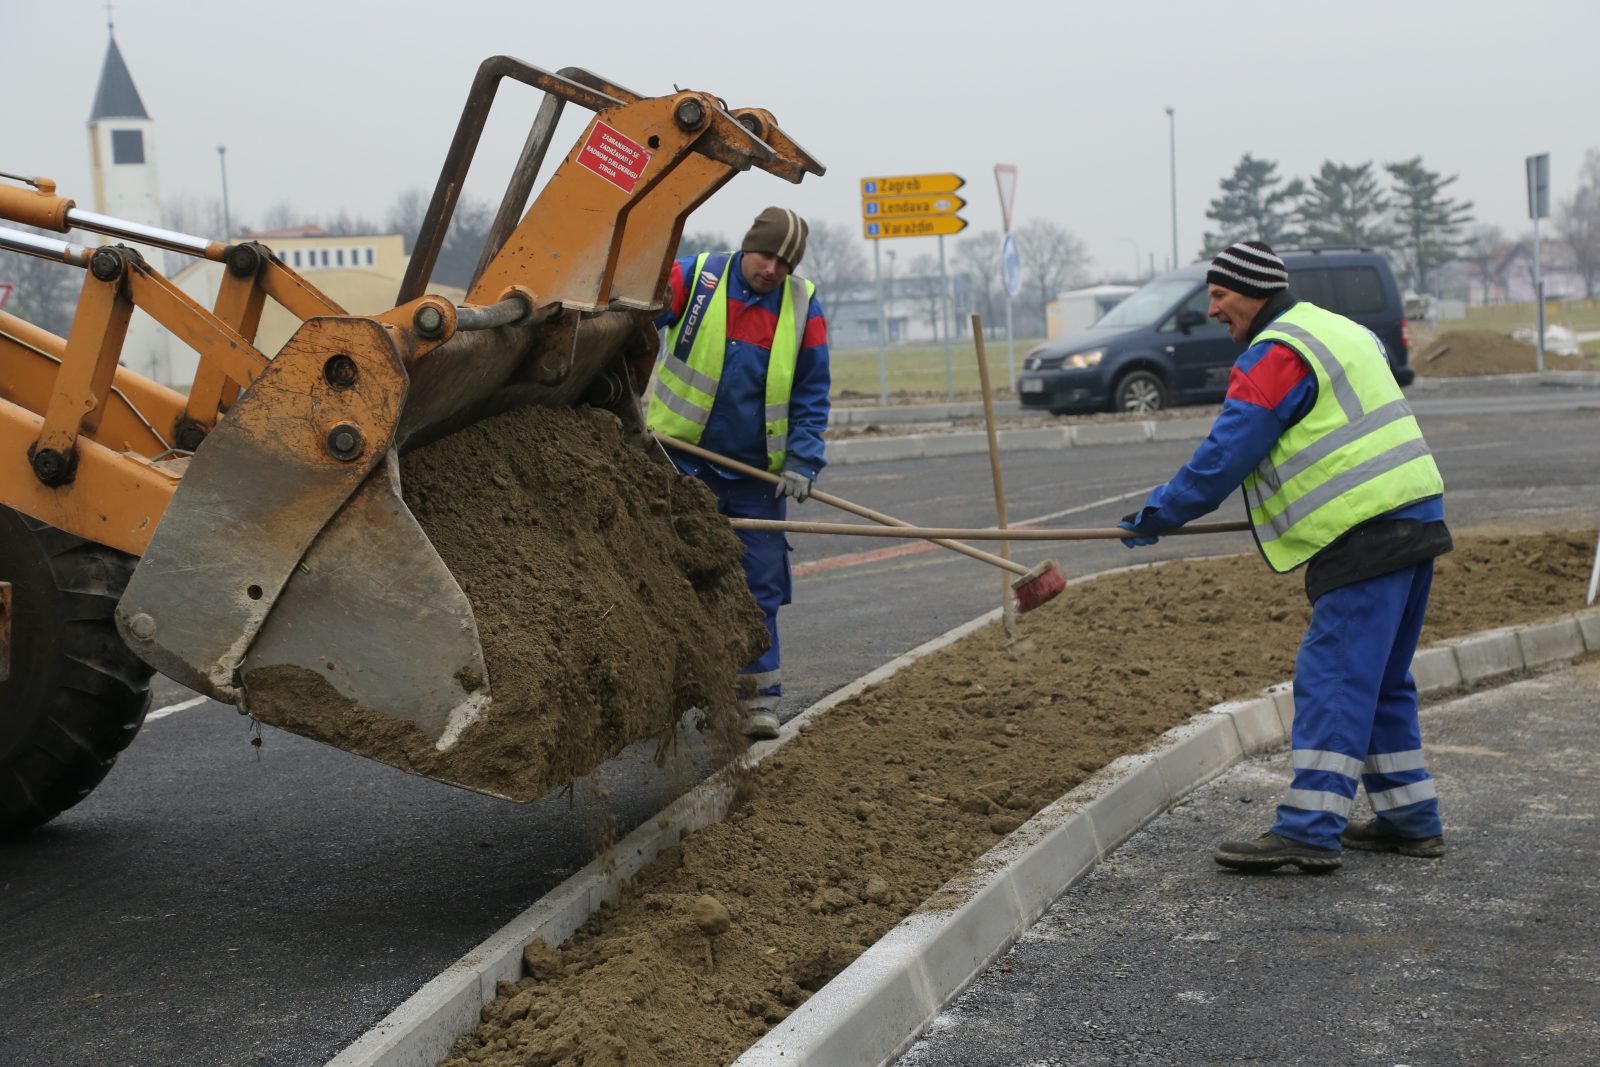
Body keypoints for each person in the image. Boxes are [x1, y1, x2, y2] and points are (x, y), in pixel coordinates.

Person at [1117, 240, 1453, 873]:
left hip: (1366, 533)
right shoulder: (1338, 331)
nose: (1213, 309)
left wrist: (1159, 513)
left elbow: (1226, 455)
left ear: (1252, 291)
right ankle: (1411, 817)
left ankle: (1308, 828)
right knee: (1380, 680)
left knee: (1332, 678)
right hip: (1415, 516)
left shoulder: (1277, 353)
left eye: (1220, 296)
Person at [648, 207, 830, 740]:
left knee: (759, 588)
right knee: (669, 574)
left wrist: (802, 461)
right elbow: (628, 327)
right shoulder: (695, 278)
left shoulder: (803, 305)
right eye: (766, 255)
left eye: (783, 262)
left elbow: (811, 392)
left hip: (755, 475)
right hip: (678, 463)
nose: (772, 269)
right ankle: (669, 695)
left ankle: (757, 702)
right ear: (748, 245)